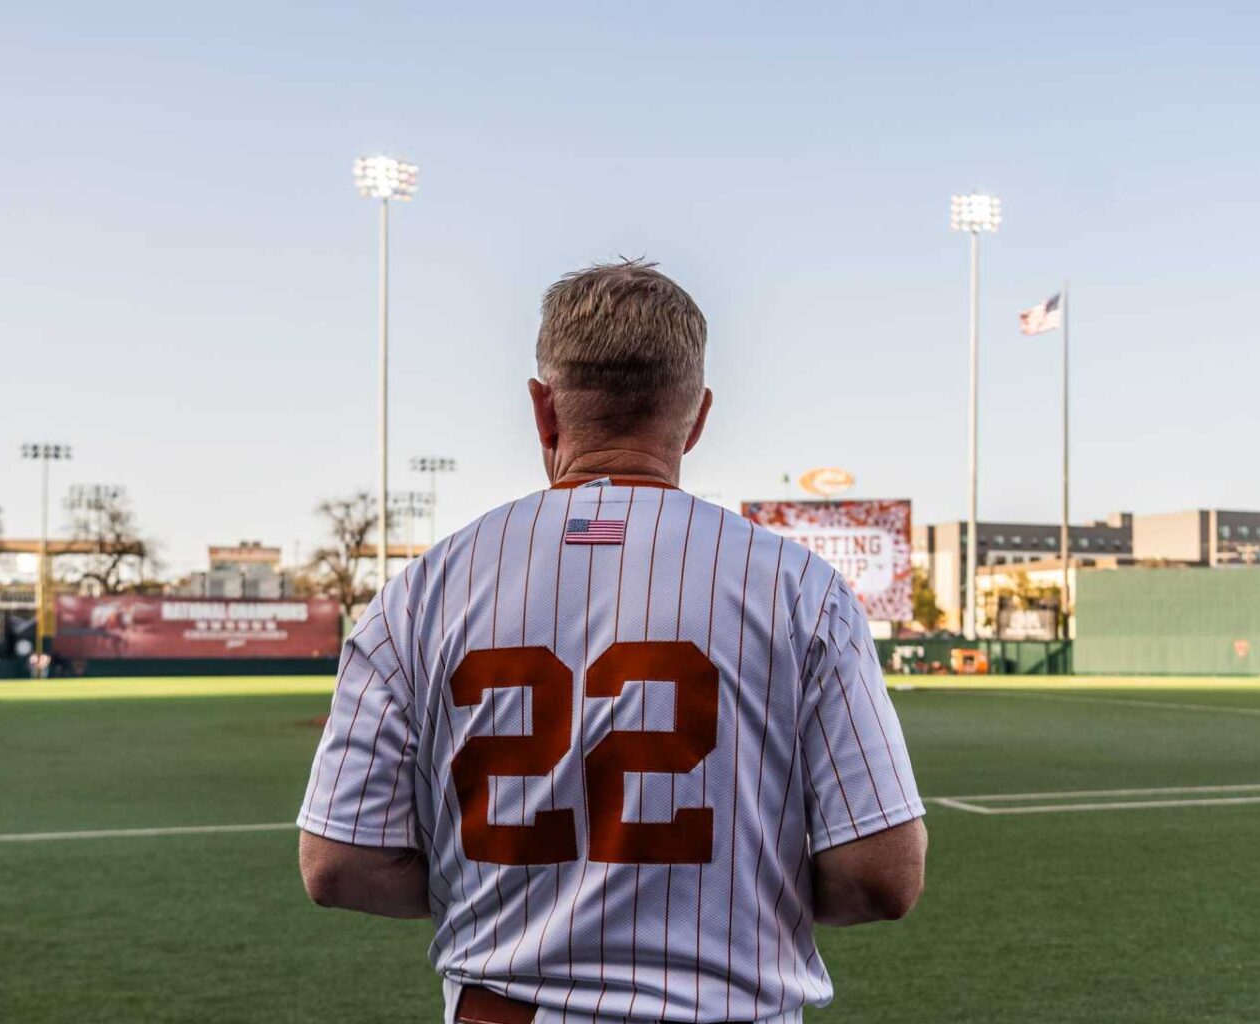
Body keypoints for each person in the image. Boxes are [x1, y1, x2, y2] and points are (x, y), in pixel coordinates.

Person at [298, 261, 926, 1024]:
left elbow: (338, 864)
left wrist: (500, 901)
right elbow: (882, 876)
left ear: (543, 410)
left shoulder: (422, 590)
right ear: (696, 419)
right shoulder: (799, 587)